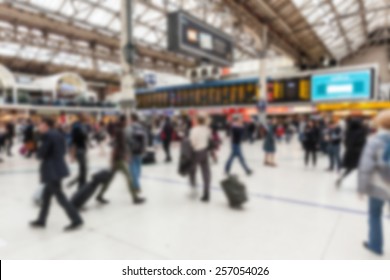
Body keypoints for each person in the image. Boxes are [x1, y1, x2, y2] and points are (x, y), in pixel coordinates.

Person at [30, 118, 83, 231]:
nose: (38, 127)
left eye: (40, 125)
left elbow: (42, 153)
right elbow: (63, 150)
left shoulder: (48, 136)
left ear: (45, 125)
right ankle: (41, 220)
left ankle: (76, 219)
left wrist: (38, 152)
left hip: (51, 171)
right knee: (46, 197)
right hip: (57, 168)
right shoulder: (58, 134)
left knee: (60, 197)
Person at [358, 110, 390, 256]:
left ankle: (375, 245)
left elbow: (366, 167)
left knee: (375, 215)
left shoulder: (375, 141)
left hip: (379, 186)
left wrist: (361, 188)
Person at [96, 116, 145, 205]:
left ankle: (100, 195)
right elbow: (117, 146)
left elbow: (120, 146)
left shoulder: (119, 130)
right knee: (129, 178)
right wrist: (118, 158)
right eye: (126, 121)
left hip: (118, 159)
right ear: (124, 121)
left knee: (110, 179)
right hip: (118, 160)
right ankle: (135, 198)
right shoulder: (120, 131)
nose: (127, 122)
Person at [336, 118, 368, 188]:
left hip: (350, 153)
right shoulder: (361, 132)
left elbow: (345, 142)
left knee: (349, 168)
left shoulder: (348, 132)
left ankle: (341, 178)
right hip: (359, 154)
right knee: (362, 169)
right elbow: (363, 143)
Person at [189, 115, 212, 202]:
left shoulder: (194, 130)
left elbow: (192, 142)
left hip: (196, 152)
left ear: (197, 121)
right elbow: (209, 139)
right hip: (205, 152)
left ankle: (193, 187)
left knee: (192, 170)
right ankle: (206, 192)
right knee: (206, 172)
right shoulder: (207, 129)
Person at [126, 113, 148, 193]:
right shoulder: (141, 127)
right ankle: (136, 183)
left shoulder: (129, 128)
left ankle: (136, 186)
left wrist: (127, 152)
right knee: (138, 168)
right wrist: (144, 148)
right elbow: (145, 139)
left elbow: (127, 140)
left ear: (131, 119)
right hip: (140, 151)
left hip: (132, 152)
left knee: (132, 169)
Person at [69, 114, 88, 190]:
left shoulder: (82, 126)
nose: (88, 118)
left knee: (83, 169)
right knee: (83, 169)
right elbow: (74, 142)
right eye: (86, 116)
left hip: (82, 149)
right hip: (79, 150)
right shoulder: (77, 128)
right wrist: (72, 155)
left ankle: (81, 184)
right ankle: (80, 185)